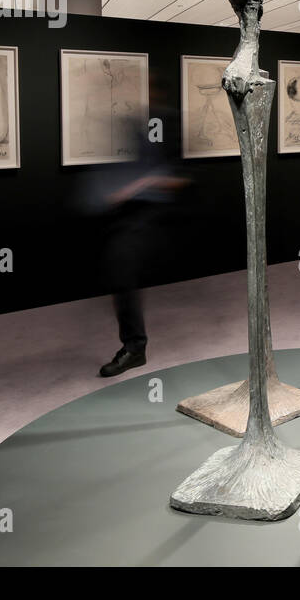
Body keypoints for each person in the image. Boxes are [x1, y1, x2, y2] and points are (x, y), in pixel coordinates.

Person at [93, 79, 190, 378]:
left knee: (121, 264)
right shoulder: (137, 128)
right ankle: (134, 344)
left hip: (160, 215)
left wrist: (140, 185)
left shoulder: (170, 125)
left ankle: (135, 347)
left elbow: (180, 178)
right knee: (117, 268)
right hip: (134, 213)